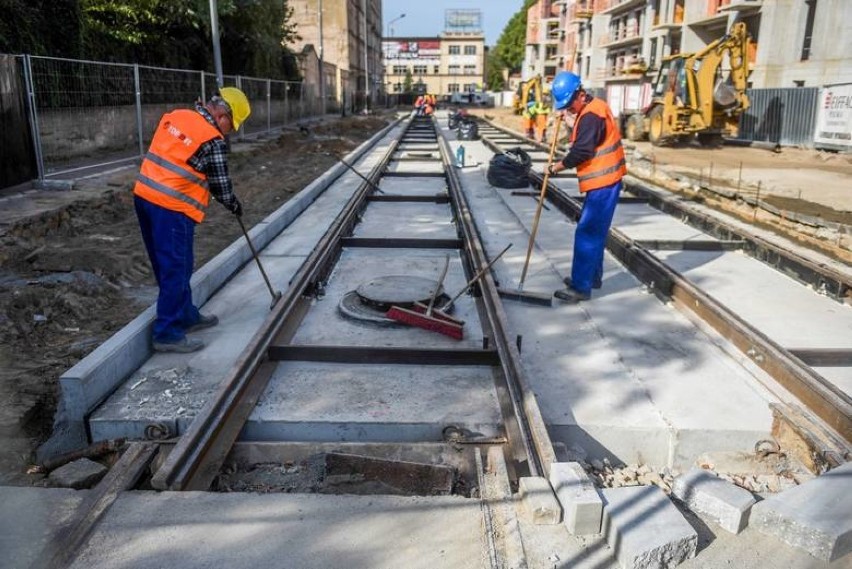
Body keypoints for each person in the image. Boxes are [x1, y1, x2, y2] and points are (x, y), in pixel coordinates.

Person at [133, 87, 251, 352]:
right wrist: (233, 204)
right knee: (176, 267)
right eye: (230, 125)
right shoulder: (211, 138)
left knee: (174, 265)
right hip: (171, 207)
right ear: (222, 114)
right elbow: (221, 185)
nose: (228, 131)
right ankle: (167, 333)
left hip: (144, 197)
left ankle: (185, 314)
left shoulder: (177, 116)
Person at [546, 71, 626, 303]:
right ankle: (591, 278)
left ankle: (581, 287)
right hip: (605, 181)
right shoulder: (593, 108)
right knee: (596, 231)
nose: (569, 108)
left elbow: (582, 151)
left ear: (580, 95)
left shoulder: (591, 116)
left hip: (603, 182)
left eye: (570, 104)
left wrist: (556, 167)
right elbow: (587, 137)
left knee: (587, 232)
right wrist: (572, 121)